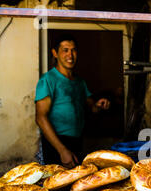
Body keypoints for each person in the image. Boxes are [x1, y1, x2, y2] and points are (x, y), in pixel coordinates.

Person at [35, 34, 110, 169]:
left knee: (75, 185)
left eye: (73, 50)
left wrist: (99, 105)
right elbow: (40, 117)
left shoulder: (79, 82)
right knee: (56, 185)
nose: (70, 54)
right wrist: (62, 150)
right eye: (65, 50)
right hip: (55, 143)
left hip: (77, 141)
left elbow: (91, 107)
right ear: (55, 53)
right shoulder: (48, 79)